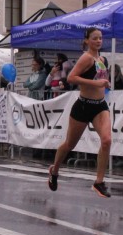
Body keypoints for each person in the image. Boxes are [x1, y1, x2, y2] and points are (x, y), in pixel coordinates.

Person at [47, 28, 113, 198]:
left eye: (100, 38)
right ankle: (55, 170)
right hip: (83, 106)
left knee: (106, 140)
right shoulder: (86, 58)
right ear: (87, 41)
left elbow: (100, 79)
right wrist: (97, 83)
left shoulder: (102, 59)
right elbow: (71, 78)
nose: (98, 41)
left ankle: (99, 182)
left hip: (100, 106)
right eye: (95, 38)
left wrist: (105, 83)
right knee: (69, 144)